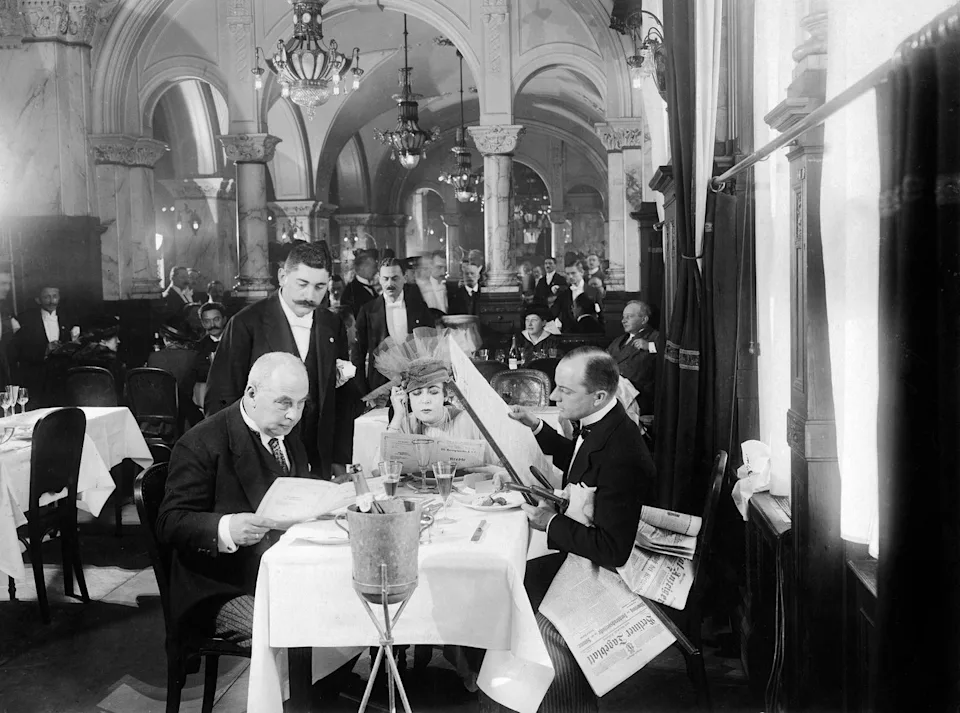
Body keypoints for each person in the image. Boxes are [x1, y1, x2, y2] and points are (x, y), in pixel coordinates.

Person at [498, 348, 656, 713]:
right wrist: (536, 426)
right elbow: (579, 457)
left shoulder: (622, 452)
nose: (554, 396)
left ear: (598, 396)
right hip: (594, 549)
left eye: (565, 391)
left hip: (617, 571)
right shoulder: (606, 421)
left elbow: (613, 550)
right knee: (511, 586)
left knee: (534, 620)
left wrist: (550, 522)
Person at [157, 352, 311, 646]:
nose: (294, 415)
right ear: (251, 394)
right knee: (295, 629)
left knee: (347, 610)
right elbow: (170, 522)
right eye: (284, 403)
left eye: (301, 403)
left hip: (278, 571)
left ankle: (317, 677)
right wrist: (227, 528)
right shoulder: (201, 442)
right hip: (218, 586)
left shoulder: (284, 431)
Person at [204, 243, 354, 479]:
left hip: (318, 459)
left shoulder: (331, 324)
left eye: (319, 287)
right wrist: (234, 459)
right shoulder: (246, 323)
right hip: (260, 458)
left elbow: (341, 398)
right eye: (302, 284)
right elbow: (220, 397)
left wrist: (339, 456)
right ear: (283, 276)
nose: (310, 296)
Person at [353, 258, 434, 400]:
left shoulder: (419, 307)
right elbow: (358, 354)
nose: (390, 284)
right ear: (379, 279)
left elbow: (431, 344)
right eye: (385, 279)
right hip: (379, 386)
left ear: (405, 278)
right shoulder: (367, 311)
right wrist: (362, 390)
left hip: (415, 383)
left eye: (395, 278)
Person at [10, 285, 80, 407]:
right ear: (38, 300)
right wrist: (45, 350)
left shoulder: (68, 319)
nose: (52, 301)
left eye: (55, 296)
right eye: (46, 297)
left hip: (62, 376)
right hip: (38, 378)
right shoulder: (26, 321)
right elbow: (20, 351)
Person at [607, 300, 659, 416]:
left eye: (629, 316)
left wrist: (650, 346)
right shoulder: (619, 341)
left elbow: (668, 352)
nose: (623, 320)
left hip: (638, 397)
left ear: (644, 320)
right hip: (613, 393)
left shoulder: (655, 338)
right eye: (623, 317)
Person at [148, 321, 202, 430]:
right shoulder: (193, 356)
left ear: (166, 339)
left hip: (156, 419)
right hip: (185, 418)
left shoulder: (153, 357)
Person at [67, 314, 126, 402]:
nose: (118, 341)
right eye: (114, 338)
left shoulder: (75, 359)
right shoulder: (116, 365)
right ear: (102, 340)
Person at [551, 261, 602, 331]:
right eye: (567, 274)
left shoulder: (594, 292)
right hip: (568, 334)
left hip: (589, 333)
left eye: (573, 273)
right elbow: (553, 313)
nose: (570, 276)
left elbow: (601, 315)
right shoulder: (563, 293)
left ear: (582, 272)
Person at [341, 252, 379, 318]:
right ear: (362, 268)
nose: (376, 270)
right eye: (374, 267)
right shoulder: (351, 292)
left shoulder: (371, 287)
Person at [416, 250, 449, 316]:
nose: (443, 272)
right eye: (439, 267)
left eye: (445, 268)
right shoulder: (419, 288)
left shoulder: (447, 287)